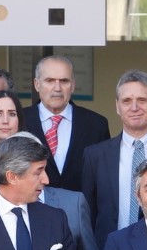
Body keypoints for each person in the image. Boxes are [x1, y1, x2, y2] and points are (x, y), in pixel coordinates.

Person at [83, 71, 147, 234]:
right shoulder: (95, 156)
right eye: (127, 101)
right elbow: (88, 213)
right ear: (117, 106)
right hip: (110, 247)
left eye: (142, 100)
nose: (134, 107)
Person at [19, 55, 111, 193]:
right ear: (37, 84)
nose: (57, 88)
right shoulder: (19, 121)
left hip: (82, 206)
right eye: (50, 80)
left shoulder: (96, 125)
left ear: (73, 85)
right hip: (31, 204)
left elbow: (103, 178)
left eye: (64, 81)